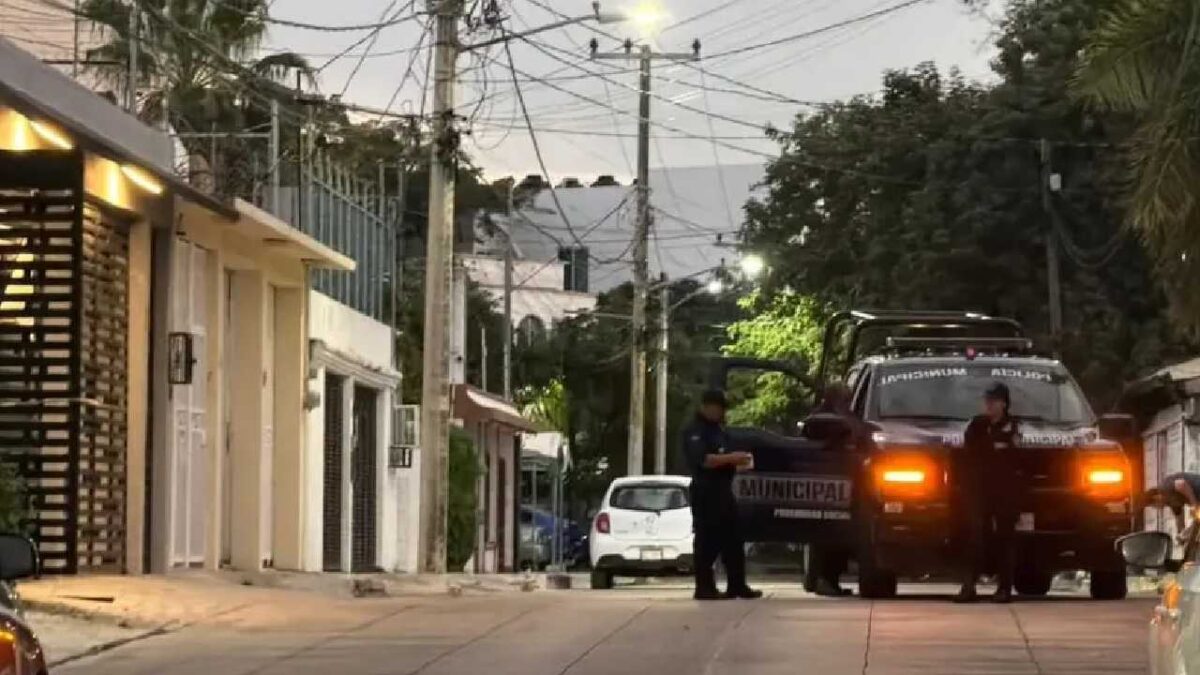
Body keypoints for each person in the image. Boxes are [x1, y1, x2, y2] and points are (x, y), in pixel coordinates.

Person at [682, 389, 763, 601]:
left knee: (734, 539)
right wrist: (731, 458)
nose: (720, 412)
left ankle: (737, 585)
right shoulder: (695, 431)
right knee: (707, 540)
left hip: (723, 490)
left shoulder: (719, 430)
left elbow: (724, 457)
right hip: (705, 491)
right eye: (717, 408)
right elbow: (705, 460)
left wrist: (739, 462)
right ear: (706, 407)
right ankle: (705, 588)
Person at [953, 382, 1020, 604]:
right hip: (979, 490)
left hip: (1004, 492)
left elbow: (1013, 456)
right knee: (974, 537)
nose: (989, 405)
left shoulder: (1012, 427)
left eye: (993, 401)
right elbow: (968, 452)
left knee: (1004, 539)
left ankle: (1004, 588)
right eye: (987, 401)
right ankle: (968, 586)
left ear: (1004, 403)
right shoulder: (977, 425)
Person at [803, 383, 859, 597]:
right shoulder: (820, 418)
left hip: (846, 484)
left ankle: (831, 580)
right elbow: (812, 441)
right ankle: (821, 579)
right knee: (824, 536)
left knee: (841, 537)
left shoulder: (849, 416)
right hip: (824, 484)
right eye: (844, 397)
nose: (847, 400)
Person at [1146, 472, 1200, 538]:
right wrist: (1180, 534)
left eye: (1155, 506)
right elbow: (1179, 517)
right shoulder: (1171, 502)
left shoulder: (1165, 487)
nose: (1158, 508)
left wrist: (1194, 505)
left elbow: (1182, 484)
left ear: (1156, 497)